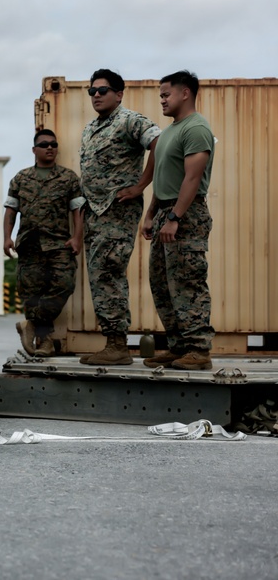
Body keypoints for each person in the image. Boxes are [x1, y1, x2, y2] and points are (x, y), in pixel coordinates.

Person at [78, 69, 160, 366]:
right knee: (100, 275)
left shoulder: (130, 121)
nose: (96, 95)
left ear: (119, 94)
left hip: (116, 213)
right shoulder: (91, 128)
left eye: (103, 90)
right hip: (96, 215)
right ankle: (113, 342)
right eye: (92, 91)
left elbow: (159, 145)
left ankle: (117, 345)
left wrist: (140, 186)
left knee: (109, 273)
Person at [141, 71, 215, 370]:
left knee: (187, 283)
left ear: (185, 93)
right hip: (165, 212)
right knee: (162, 283)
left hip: (186, 214)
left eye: (166, 94)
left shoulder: (196, 128)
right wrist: (151, 215)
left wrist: (174, 218)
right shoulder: (170, 131)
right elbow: (164, 180)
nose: (162, 99)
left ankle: (198, 350)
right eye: (160, 95)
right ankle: (179, 346)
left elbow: (192, 178)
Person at [3, 129, 84, 357]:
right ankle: (44, 341)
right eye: (44, 144)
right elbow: (11, 210)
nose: (50, 148)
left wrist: (77, 237)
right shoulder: (20, 178)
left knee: (64, 284)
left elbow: (78, 210)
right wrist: (7, 237)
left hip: (59, 244)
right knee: (31, 294)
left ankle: (31, 324)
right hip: (29, 244)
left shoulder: (68, 178)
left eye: (54, 144)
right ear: (34, 150)